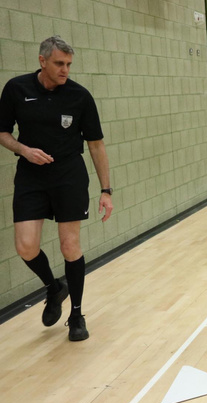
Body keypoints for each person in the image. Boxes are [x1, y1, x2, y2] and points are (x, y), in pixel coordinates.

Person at [0, 36, 113, 342]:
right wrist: (24, 150)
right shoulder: (16, 89)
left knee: (69, 246)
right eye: (59, 63)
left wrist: (107, 190)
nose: (65, 70)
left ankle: (76, 314)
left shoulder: (79, 96)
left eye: (68, 64)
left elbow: (96, 144)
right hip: (31, 176)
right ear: (42, 61)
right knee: (25, 246)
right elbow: (2, 133)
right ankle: (54, 286)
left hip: (68, 175)